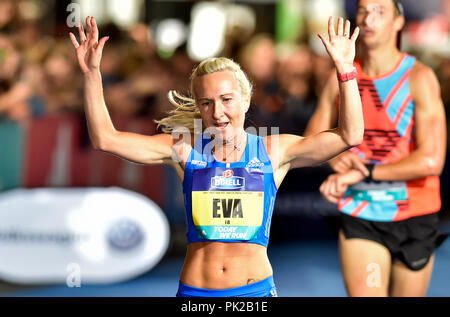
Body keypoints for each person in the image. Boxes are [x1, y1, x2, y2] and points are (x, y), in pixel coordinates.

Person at [70, 15, 363, 297]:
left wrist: (346, 70)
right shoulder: (184, 148)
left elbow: (350, 135)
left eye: (226, 100)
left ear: (246, 100)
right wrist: (92, 75)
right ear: (198, 106)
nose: (217, 112)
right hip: (196, 292)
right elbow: (105, 139)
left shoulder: (274, 151)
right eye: (206, 103)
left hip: (254, 291)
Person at [305, 0, 447, 297]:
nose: (369, 18)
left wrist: (366, 172)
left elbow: (432, 160)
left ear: (398, 22)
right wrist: (337, 159)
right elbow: (312, 137)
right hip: (362, 212)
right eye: (363, 11)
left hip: (415, 213)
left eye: (380, 11)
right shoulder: (342, 75)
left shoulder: (419, 78)